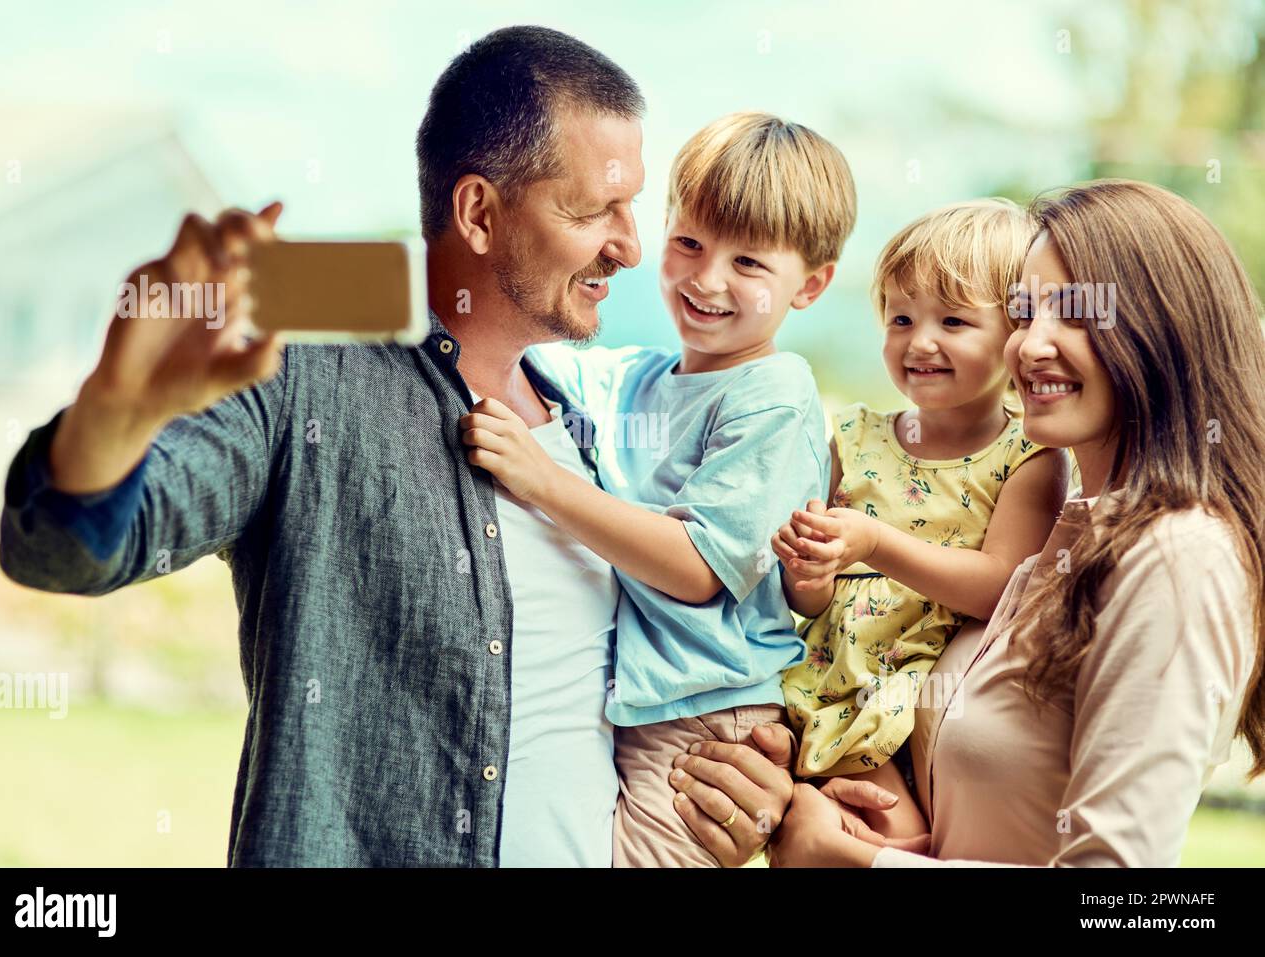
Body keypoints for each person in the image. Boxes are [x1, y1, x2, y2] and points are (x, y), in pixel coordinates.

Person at [0, 26, 647, 867]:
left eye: (631, 207)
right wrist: (119, 407)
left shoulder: (590, 438)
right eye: (595, 210)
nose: (630, 244)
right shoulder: (299, 381)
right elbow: (64, 550)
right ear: (480, 213)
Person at [674, 180, 1265, 868]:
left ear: (1162, 331)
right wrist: (811, 807)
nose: (1031, 345)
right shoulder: (1070, 538)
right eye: (1024, 313)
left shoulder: (1177, 556)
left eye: (1070, 315)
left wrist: (857, 862)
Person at [459, 111, 854, 866]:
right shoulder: (633, 376)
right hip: (640, 704)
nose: (707, 280)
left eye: (749, 264)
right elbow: (515, 354)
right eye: (690, 244)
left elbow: (698, 568)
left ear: (810, 285)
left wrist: (540, 479)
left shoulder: (775, 390)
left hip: (708, 723)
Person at [772, 199, 1069, 840]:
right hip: (833, 690)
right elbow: (804, 596)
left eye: (954, 320)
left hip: (926, 706)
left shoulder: (1029, 455)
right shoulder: (852, 437)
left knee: (904, 844)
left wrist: (875, 541)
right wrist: (811, 569)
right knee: (852, 836)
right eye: (900, 317)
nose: (920, 341)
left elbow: (1000, 587)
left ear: (1015, 335)